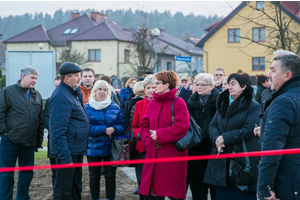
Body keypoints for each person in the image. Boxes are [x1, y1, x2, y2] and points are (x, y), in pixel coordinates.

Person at [204, 73, 260, 200]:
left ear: (244, 86)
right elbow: (212, 125)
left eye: (233, 84)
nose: (229, 87)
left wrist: (224, 138)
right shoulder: (223, 103)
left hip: (241, 160)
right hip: (221, 156)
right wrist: (217, 139)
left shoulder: (253, 106)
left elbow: (248, 129)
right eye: (229, 84)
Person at [139, 70, 190, 200]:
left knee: (171, 192)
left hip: (171, 155)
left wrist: (159, 134)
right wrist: (147, 139)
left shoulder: (179, 102)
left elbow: (182, 126)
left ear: (167, 85)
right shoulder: (153, 103)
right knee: (152, 193)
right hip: (153, 153)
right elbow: (143, 124)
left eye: (157, 82)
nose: (155, 85)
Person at [257, 54, 300, 200]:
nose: (269, 75)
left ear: (287, 75)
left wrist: (265, 189)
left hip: (288, 184)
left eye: (273, 70)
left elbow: (271, 150)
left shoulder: (283, 102)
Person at [0, 66, 44, 200]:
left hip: (29, 143)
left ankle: (23, 198)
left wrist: (38, 140)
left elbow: (39, 119)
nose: (34, 81)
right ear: (23, 77)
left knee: (26, 174)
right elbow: (0, 113)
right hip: (10, 141)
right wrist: (5, 132)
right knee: (6, 174)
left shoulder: (37, 95)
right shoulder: (8, 92)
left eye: (36, 78)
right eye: (32, 77)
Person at [49, 62, 90, 200]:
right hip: (67, 152)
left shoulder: (72, 93)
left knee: (74, 188)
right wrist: (65, 157)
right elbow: (57, 131)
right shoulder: (61, 96)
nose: (80, 79)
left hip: (75, 149)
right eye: (77, 76)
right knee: (63, 191)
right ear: (67, 78)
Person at [85, 80, 126, 200]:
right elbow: (86, 128)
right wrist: (103, 129)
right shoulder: (87, 107)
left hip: (111, 147)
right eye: (99, 89)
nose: (102, 92)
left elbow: (123, 126)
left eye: (105, 90)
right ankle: (95, 197)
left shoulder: (115, 107)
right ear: (94, 91)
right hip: (93, 147)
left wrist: (114, 128)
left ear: (108, 92)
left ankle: (110, 198)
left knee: (110, 175)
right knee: (94, 175)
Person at [187, 73, 219, 200]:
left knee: (213, 179)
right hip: (196, 144)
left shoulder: (219, 100)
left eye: (202, 85)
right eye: (197, 84)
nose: (199, 87)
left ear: (211, 86)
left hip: (213, 145)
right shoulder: (191, 100)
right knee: (196, 179)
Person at [131, 75, 156, 199]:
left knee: (156, 183)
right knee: (142, 182)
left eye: (153, 87)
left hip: (158, 148)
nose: (151, 90)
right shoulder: (139, 105)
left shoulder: (162, 103)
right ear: (144, 90)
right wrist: (139, 134)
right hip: (143, 148)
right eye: (148, 88)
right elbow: (133, 127)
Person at [42, 74, 61, 187]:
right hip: (53, 139)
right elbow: (44, 118)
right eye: (55, 86)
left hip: (67, 142)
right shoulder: (50, 101)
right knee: (54, 171)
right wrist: (54, 128)